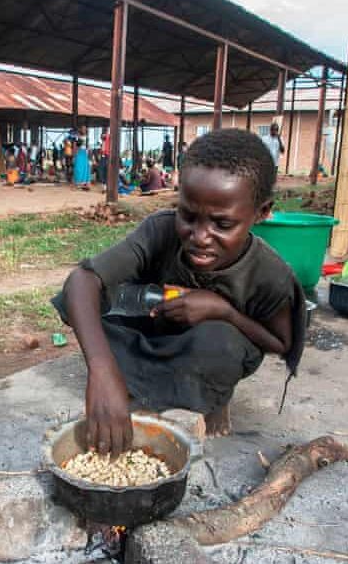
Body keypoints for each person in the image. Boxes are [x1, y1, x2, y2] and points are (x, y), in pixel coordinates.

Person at [52, 128, 305, 452]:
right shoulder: (160, 230)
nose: (200, 236)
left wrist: (223, 310)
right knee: (85, 303)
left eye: (222, 224)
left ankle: (210, 399)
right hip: (159, 332)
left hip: (210, 349)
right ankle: (130, 382)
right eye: (188, 215)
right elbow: (82, 280)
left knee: (218, 342)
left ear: (262, 212)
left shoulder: (270, 273)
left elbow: (281, 343)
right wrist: (101, 370)